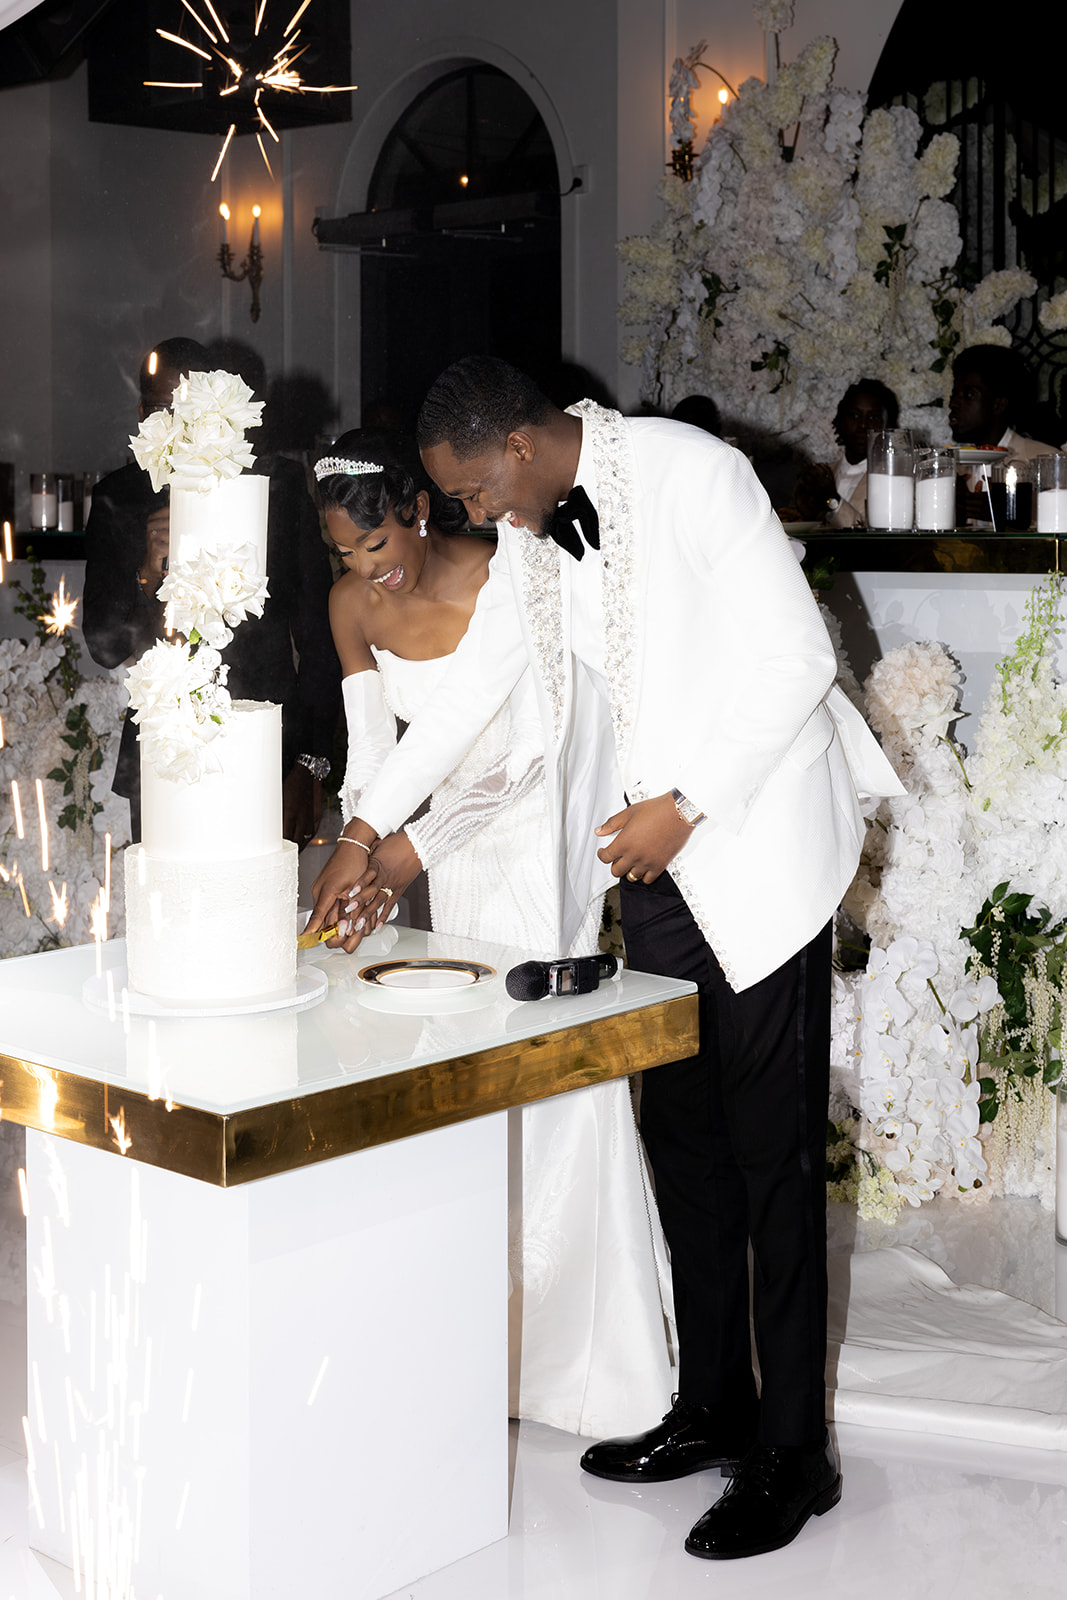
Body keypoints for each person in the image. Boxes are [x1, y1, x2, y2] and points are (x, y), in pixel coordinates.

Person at [312, 358, 902, 1562]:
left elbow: (796, 660)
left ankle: (794, 1453)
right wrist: (364, 831)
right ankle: (711, 1406)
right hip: (654, 864)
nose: (473, 515)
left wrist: (684, 804)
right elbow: (474, 694)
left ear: (520, 449)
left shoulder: (695, 475)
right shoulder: (530, 532)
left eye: (475, 490)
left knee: (771, 1157)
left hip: (754, 842)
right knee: (683, 1139)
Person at [308, 430, 675, 1437]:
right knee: (465, 1063)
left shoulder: (512, 573)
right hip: (429, 843)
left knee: (545, 1056)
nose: (367, 568)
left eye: (376, 543)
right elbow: (372, 753)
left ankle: (585, 1354)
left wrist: (397, 847)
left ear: (418, 512)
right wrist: (364, 859)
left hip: (530, 831)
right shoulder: (351, 608)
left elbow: (528, 755)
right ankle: (479, 1335)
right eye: (345, 553)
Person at [82, 337, 340, 842]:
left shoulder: (276, 486)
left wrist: (309, 763)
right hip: (164, 753)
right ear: (142, 413)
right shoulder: (120, 496)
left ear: (215, 402)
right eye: (163, 409)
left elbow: (319, 636)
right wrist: (146, 574)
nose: (179, 424)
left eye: (190, 407)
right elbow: (104, 646)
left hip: (269, 750)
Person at [949, 344, 1060, 525]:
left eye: (969, 395)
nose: (953, 403)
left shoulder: (1047, 461)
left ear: (998, 405)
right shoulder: (950, 469)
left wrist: (1006, 514)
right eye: (954, 394)